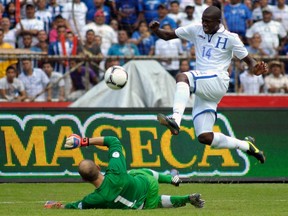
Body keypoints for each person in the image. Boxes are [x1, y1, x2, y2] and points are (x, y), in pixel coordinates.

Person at [149, 6, 267, 164]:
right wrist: (156, 30)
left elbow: (249, 60)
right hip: (204, 87)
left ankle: (176, 119)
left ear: (218, 22)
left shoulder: (230, 37)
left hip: (217, 80)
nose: (204, 24)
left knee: (183, 76)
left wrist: (255, 68)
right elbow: (167, 35)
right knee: (205, 136)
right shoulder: (196, 29)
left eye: (208, 22)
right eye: (203, 21)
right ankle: (246, 145)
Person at [44, 134, 205, 209]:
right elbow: (113, 141)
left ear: (84, 180)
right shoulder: (115, 170)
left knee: (156, 203)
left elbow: (75, 206)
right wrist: (83, 141)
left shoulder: (96, 198)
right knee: (139, 172)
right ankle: (171, 179)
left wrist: (58, 206)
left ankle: (185, 197)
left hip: (141, 202)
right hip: (147, 183)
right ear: (99, 167)